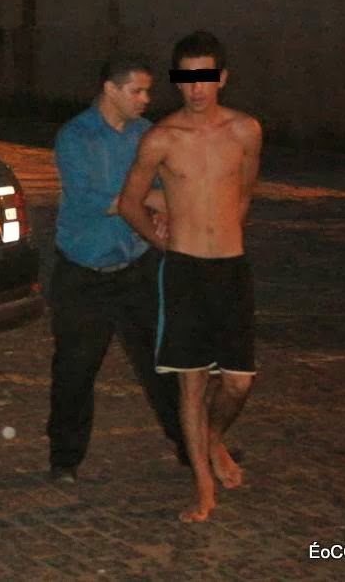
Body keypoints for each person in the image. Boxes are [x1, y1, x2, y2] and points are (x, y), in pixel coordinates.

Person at [119, 31, 262, 523]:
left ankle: (213, 437)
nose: (197, 88)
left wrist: (225, 234)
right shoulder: (161, 138)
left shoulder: (246, 131)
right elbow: (129, 203)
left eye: (205, 77)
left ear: (221, 78)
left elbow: (243, 193)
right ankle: (202, 485)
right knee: (191, 386)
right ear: (177, 82)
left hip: (231, 268)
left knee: (239, 382)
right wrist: (165, 242)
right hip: (184, 271)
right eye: (187, 78)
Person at [47, 56, 186, 484]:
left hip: (135, 267)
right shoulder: (76, 136)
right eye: (137, 91)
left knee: (163, 366)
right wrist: (153, 203)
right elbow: (95, 200)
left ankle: (193, 447)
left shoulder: (146, 134)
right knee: (74, 371)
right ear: (110, 89)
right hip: (83, 273)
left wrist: (160, 208)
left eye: (148, 91)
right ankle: (65, 459)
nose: (146, 99)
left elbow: (161, 186)